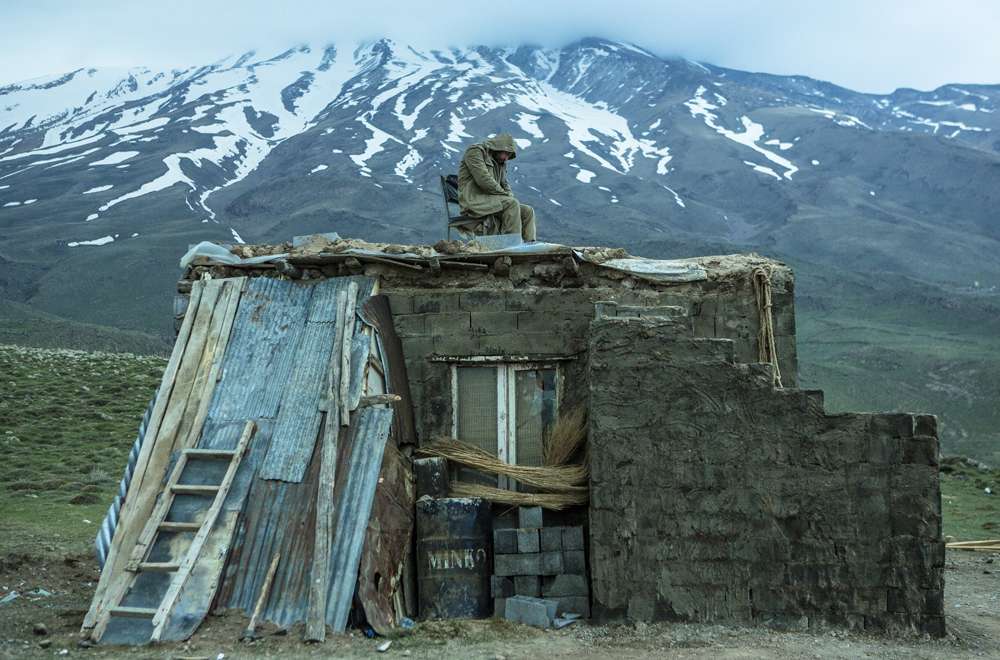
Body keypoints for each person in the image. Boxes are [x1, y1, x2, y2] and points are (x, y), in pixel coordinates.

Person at [457, 133, 536, 242]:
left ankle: (529, 247)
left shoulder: (500, 163)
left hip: (490, 201)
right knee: (511, 204)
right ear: (498, 147)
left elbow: (504, 183)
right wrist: (506, 197)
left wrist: (510, 197)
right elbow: (483, 179)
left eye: (509, 156)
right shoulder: (475, 152)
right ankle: (512, 246)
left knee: (527, 211)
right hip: (474, 200)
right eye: (506, 154)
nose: (507, 159)